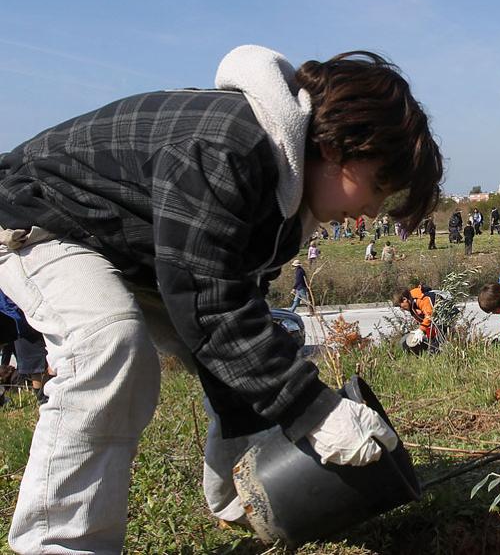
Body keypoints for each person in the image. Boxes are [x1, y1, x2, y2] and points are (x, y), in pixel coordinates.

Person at [0, 45, 442, 553]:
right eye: (378, 185)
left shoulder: (284, 201)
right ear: (341, 145)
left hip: (129, 245)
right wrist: (315, 411)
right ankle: (59, 543)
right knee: (109, 343)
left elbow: (231, 323)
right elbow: (206, 301)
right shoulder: (227, 145)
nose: (372, 208)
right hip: (36, 216)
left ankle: (247, 494)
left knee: (251, 354)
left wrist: (264, 421)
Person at [392, 284, 444, 351]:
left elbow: (429, 315)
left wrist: (421, 330)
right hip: (437, 320)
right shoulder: (412, 305)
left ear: (405, 299)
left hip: (446, 314)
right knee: (431, 338)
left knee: (437, 339)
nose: (401, 309)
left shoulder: (421, 299)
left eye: (400, 306)